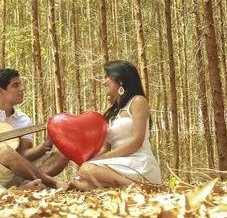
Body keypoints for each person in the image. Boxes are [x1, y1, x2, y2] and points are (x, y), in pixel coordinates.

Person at [66, 60, 161, 189]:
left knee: (86, 170)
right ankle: (124, 187)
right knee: (81, 179)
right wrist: (89, 160)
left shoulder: (138, 101)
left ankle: (134, 187)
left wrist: (101, 160)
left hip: (139, 163)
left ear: (120, 81)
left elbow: (136, 142)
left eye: (107, 77)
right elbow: (105, 148)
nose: (103, 82)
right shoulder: (112, 113)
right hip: (119, 164)